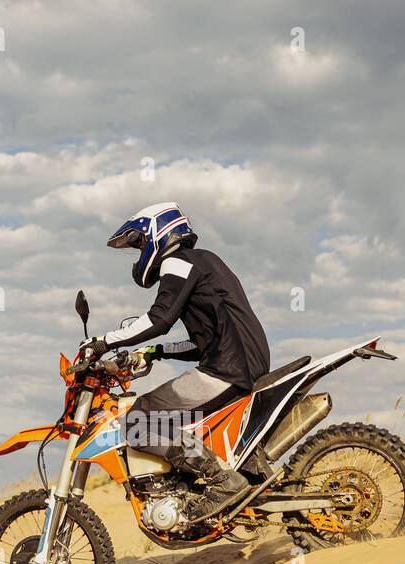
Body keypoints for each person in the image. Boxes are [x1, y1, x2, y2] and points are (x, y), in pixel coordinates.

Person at [82, 202, 271, 514]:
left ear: (159, 232)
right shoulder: (203, 262)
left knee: (138, 419)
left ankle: (221, 481)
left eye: (140, 243)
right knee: (169, 419)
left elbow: (159, 319)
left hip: (227, 369)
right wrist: (155, 352)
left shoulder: (178, 262)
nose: (140, 252)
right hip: (237, 363)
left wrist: (102, 342)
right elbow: (200, 344)